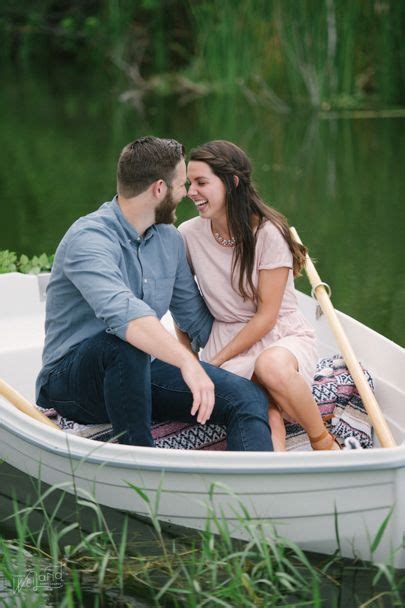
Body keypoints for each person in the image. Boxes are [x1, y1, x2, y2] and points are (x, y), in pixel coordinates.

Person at [35, 136, 273, 451]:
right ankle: (142, 469)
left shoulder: (168, 241)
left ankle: (251, 494)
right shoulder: (89, 239)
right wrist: (187, 363)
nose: (186, 194)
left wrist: (266, 347)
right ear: (158, 190)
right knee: (122, 345)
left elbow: (198, 322)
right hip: (72, 383)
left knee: (246, 397)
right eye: (180, 186)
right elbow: (125, 316)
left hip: (139, 372)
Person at [178, 139, 339, 451]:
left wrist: (214, 362)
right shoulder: (188, 234)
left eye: (200, 182)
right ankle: (273, 476)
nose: (190, 192)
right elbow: (179, 301)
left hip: (280, 334)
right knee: (260, 407)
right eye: (188, 183)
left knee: (271, 368)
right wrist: (188, 360)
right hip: (227, 338)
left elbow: (266, 317)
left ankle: (323, 443)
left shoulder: (269, 233)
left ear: (232, 182)